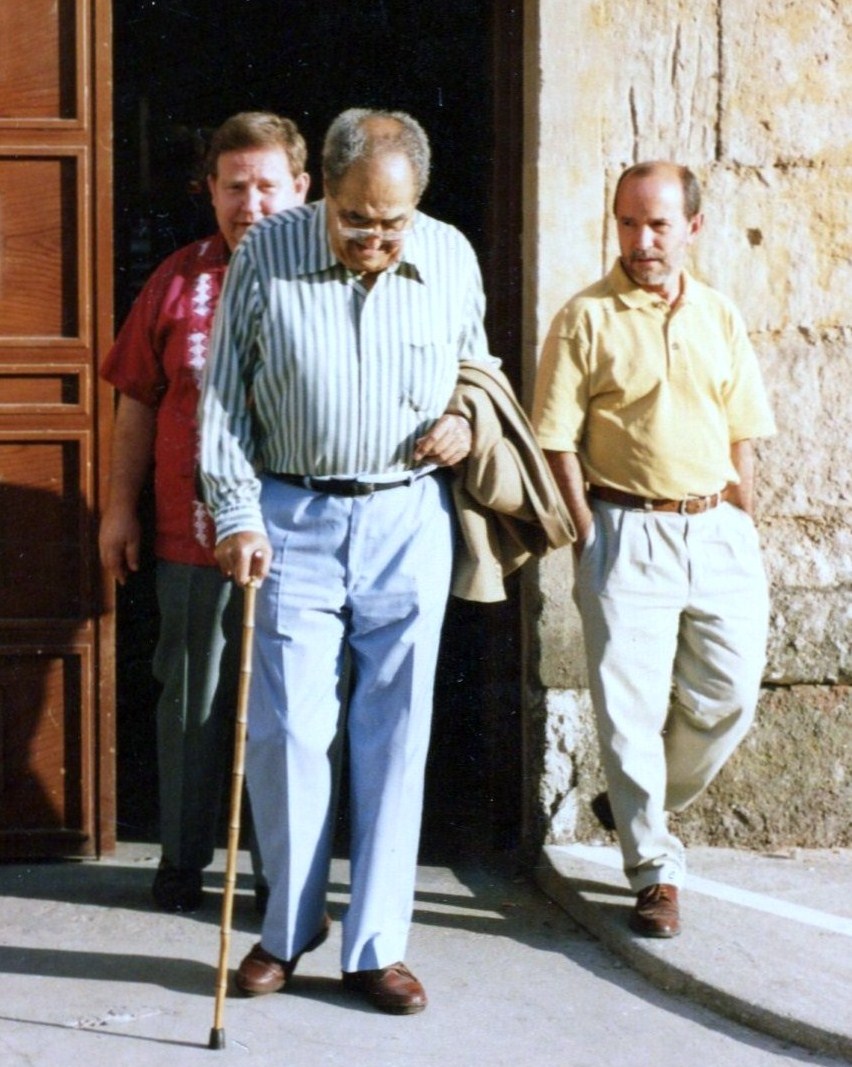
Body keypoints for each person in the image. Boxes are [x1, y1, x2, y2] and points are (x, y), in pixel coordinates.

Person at [198, 107, 497, 1015]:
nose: (373, 237)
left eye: (391, 222)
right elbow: (224, 399)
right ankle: (288, 929)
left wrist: (466, 421)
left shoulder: (448, 254)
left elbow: (477, 367)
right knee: (288, 733)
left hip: (407, 515)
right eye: (355, 219)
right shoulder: (267, 253)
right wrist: (236, 514)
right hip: (292, 514)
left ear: (418, 205)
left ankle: (377, 945)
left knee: (396, 733)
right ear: (323, 191)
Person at [532, 161, 776, 938]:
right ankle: (653, 869)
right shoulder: (584, 317)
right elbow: (556, 438)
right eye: (629, 223)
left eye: (659, 224)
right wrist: (583, 526)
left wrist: (742, 510)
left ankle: (644, 797)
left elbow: (744, 425)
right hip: (623, 528)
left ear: (692, 229)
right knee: (629, 712)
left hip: (717, 529)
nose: (642, 241)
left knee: (729, 695)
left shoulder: (719, 315)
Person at [99, 111, 310, 913]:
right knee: (193, 693)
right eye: (234, 187)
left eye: (267, 185)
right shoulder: (179, 279)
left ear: (301, 187)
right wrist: (120, 509)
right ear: (211, 192)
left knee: (286, 708)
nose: (250, 204)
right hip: (191, 535)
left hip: (299, 537)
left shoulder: (328, 274)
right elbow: (136, 402)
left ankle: (277, 872)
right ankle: (183, 860)